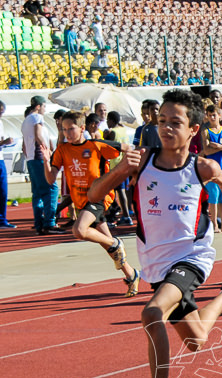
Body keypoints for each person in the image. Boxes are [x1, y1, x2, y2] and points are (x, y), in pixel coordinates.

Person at [87, 88, 222, 378]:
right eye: (161, 120)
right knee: (195, 341)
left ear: (193, 130)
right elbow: (94, 195)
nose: (165, 127)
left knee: (151, 313)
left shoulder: (201, 166)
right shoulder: (142, 161)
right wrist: (119, 171)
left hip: (192, 256)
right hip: (156, 262)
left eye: (175, 122)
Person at [39, 110, 140, 297]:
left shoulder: (96, 145)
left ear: (82, 128)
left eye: (71, 129)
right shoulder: (61, 150)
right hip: (80, 201)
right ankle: (132, 274)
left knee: (79, 230)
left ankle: (115, 243)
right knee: (108, 248)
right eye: (64, 129)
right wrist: (46, 161)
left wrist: (129, 172)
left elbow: (129, 148)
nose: (67, 133)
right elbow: (50, 179)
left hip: (98, 197)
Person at [23, 95, 58, 235]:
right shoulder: (37, 118)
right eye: (44, 106)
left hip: (31, 159)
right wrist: (47, 150)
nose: (45, 109)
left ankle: (39, 223)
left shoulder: (25, 121)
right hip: (39, 157)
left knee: (37, 192)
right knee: (51, 188)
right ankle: (49, 223)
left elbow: (25, 144)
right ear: (38, 106)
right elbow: (38, 135)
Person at [201, 103, 222, 232]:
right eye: (209, 116)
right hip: (212, 169)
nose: (212, 118)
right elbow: (206, 151)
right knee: (213, 196)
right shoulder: (206, 131)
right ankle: (214, 223)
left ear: (219, 116)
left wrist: (218, 146)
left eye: (214, 115)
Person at [104, 110, 135, 226]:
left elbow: (107, 146)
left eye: (108, 120)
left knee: (119, 191)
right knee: (121, 190)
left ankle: (125, 215)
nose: (107, 122)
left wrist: (105, 136)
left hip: (116, 165)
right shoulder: (123, 130)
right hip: (124, 162)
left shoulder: (113, 133)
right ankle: (122, 212)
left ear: (111, 121)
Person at [0, 100, 14, 228]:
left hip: (0, 158)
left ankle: (2, 219)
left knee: (3, 191)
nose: (1, 114)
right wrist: (4, 143)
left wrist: (5, 143)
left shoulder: (1, 122)